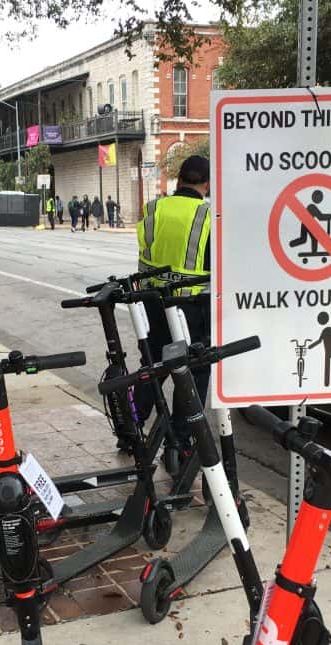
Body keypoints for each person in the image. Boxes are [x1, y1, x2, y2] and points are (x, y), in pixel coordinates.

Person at [133, 155, 212, 459]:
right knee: (192, 370)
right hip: (191, 308)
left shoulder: (153, 208)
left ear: (178, 179)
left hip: (152, 302)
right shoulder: (207, 215)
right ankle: (180, 440)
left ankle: (132, 427)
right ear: (206, 183)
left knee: (152, 365)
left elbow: (146, 252)